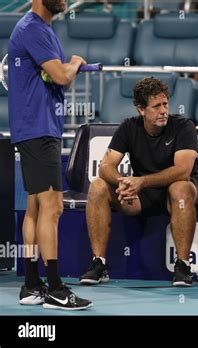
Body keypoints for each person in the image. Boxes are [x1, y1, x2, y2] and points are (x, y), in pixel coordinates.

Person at [8, 0, 92, 310]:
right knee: (53, 207)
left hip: (37, 128)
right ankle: (56, 288)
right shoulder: (33, 29)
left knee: (35, 207)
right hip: (38, 130)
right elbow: (60, 76)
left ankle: (31, 284)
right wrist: (74, 62)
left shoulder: (41, 29)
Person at [80, 77, 198, 287]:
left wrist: (141, 182)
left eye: (165, 104)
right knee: (98, 186)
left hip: (179, 191)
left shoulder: (183, 126)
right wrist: (123, 182)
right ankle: (98, 264)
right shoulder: (129, 127)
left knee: (179, 188)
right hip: (142, 195)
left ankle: (182, 265)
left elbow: (183, 171)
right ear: (141, 109)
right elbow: (106, 166)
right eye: (156, 107)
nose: (163, 110)